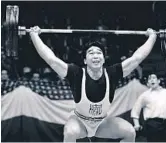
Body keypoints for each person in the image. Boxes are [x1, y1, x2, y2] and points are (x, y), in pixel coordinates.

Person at [29, 26, 157, 142]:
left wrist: (152, 37)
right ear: (85, 60)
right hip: (79, 122)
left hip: (102, 123)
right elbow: (51, 60)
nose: (95, 55)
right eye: (91, 53)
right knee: (70, 132)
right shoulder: (76, 73)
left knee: (129, 132)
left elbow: (137, 58)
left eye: (99, 53)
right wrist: (34, 36)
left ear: (103, 58)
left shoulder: (112, 73)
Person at [131, 74, 166, 142]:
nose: (152, 80)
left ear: (158, 81)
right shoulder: (144, 95)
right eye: (149, 79)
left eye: (153, 78)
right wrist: (136, 124)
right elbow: (135, 110)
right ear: (147, 84)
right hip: (152, 125)